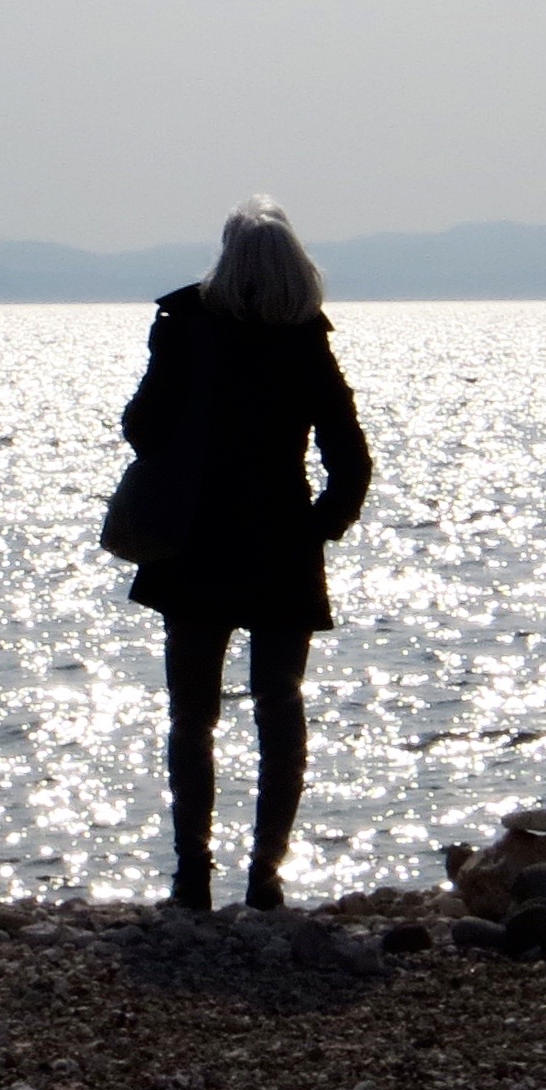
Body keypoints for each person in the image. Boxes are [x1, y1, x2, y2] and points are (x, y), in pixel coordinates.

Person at [118, 198, 373, 911]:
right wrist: (321, 525)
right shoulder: (305, 340)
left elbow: (141, 427)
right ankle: (266, 876)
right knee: (279, 706)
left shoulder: (185, 329)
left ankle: (191, 876)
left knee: (192, 717)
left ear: (226, 260)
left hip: (194, 542)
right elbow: (349, 457)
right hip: (281, 545)